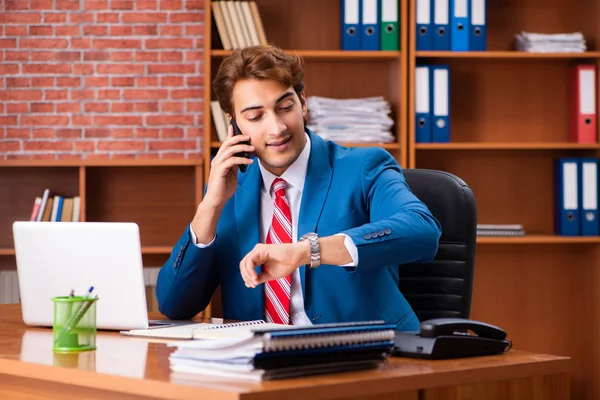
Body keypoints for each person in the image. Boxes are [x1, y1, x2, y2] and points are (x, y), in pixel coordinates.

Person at [156, 45, 441, 331]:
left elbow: (422, 231)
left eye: (285, 107)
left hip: (364, 356)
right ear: (233, 123)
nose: (277, 127)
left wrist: (307, 251)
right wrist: (210, 207)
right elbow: (174, 305)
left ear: (302, 102)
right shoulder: (228, 189)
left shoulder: (362, 166)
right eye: (256, 117)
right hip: (259, 362)